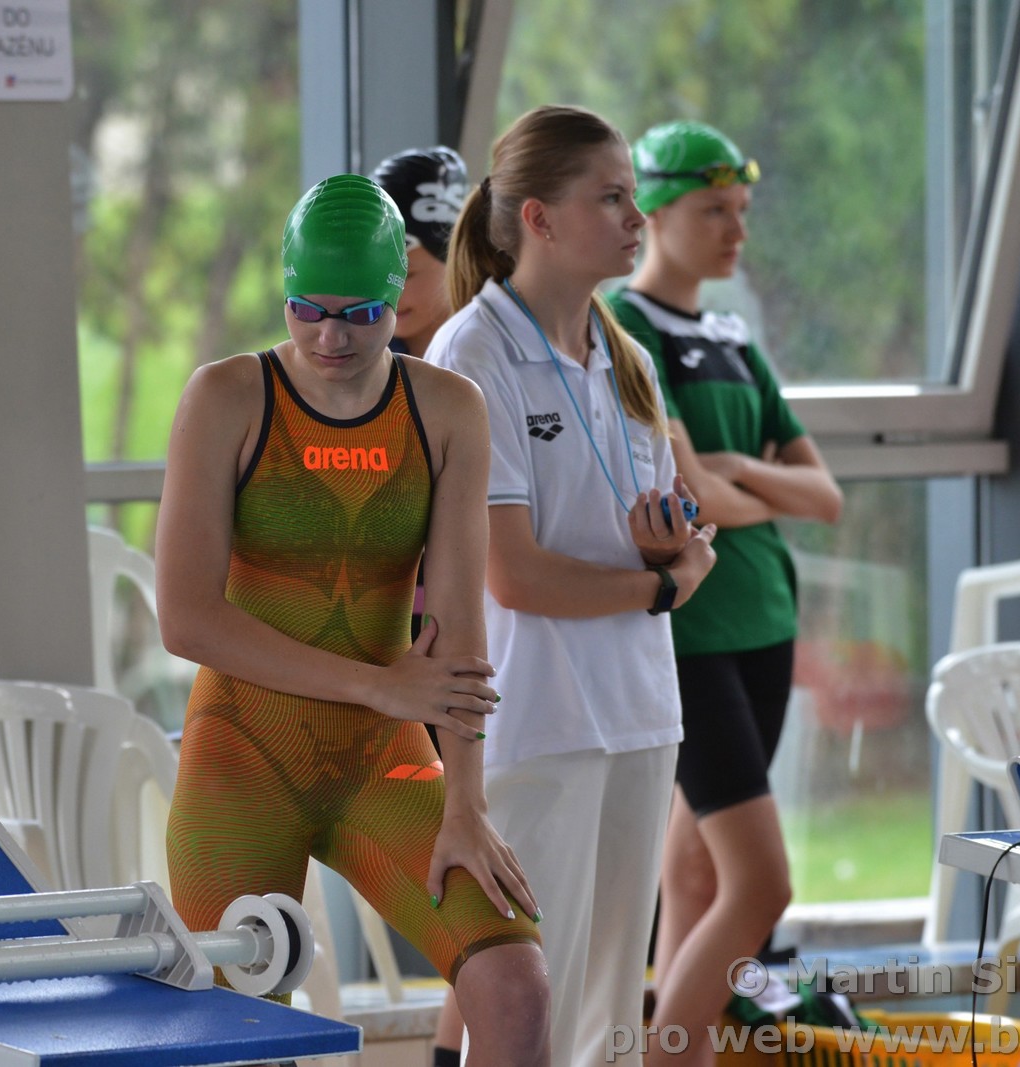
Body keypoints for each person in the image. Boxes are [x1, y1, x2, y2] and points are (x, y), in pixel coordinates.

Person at [157, 173, 549, 1067]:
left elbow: (459, 626)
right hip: (241, 758)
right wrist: (378, 685)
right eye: (309, 310)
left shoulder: (446, 408)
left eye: (361, 315)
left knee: (515, 985)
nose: (330, 337)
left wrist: (467, 801)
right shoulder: (227, 398)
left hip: (383, 761)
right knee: (241, 1041)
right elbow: (186, 619)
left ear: (399, 298)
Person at [427, 104, 719, 1067]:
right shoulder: (473, 353)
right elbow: (514, 574)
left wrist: (671, 554)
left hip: (639, 712)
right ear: (540, 218)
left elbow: (681, 538)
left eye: (634, 197)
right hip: (540, 719)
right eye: (613, 198)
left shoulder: (626, 357)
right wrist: (661, 586)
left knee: (611, 1021)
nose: (638, 218)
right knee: (528, 1016)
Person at [606, 120, 842, 1067]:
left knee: (699, 874)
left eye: (742, 210)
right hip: (694, 631)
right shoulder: (626, 329)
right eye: (714, 210)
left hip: (766, 622)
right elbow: (689, 491)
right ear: (656, 213)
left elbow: (824, 496)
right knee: (760, 884)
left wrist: (736, 471)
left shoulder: (733, 337)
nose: (736, 230)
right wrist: (747, 483)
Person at [372, 144, 473, 1067]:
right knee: (472, 900)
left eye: (413, 263)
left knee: (482, 900)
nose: (396, 287)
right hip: (397, 663)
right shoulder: (365, 363)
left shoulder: (465, 369)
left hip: (455, 651)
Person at [372, 146, 469, 358]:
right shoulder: (359, 355)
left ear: (454, 263)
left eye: (406, 274)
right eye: (374, 275)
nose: (387, 292)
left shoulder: (489, 345)